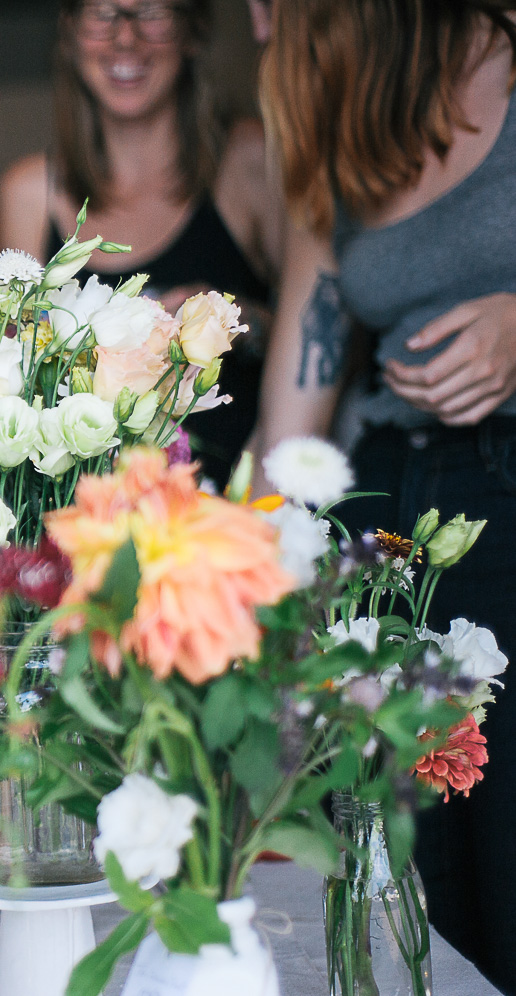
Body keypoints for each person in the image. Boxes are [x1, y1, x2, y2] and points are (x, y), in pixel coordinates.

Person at [253, 2, 516, 988]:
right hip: (395, 516)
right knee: (410, 884)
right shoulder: (337, 124)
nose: (258, 20)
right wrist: (254, 578)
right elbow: (296, 402)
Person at [0, 0, 284, 486]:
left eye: (152, 12)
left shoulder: (252, 161)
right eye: (103, 14)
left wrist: (230, 325)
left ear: (191, 30)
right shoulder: (28, 192)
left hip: (244, 506)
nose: (125, 38)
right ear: (69, 33)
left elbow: (335, 339)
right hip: (89, 517)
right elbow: (11, 386)